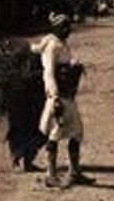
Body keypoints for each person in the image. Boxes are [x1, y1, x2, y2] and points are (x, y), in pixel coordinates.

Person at [38, 12, 92, 188]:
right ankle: (50, 175)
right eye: (63, 27)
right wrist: (54, 97)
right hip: (59, 96)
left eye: (68, 27)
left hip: (68, 95)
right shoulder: (52, 45)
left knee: (77, 132)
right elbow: (49, 72)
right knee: (55, 133)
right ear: (56, 28)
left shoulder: (63, 44)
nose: (67, 30)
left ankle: (74, 172)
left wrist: (74, 65)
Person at [7, 46, 47, 172]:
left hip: (23, 109)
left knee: (21, 134)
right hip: (29, 109)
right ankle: (23, 160)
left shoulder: (14, 77)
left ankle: (20, 160)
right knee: (37, 134)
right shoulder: (37, 75)